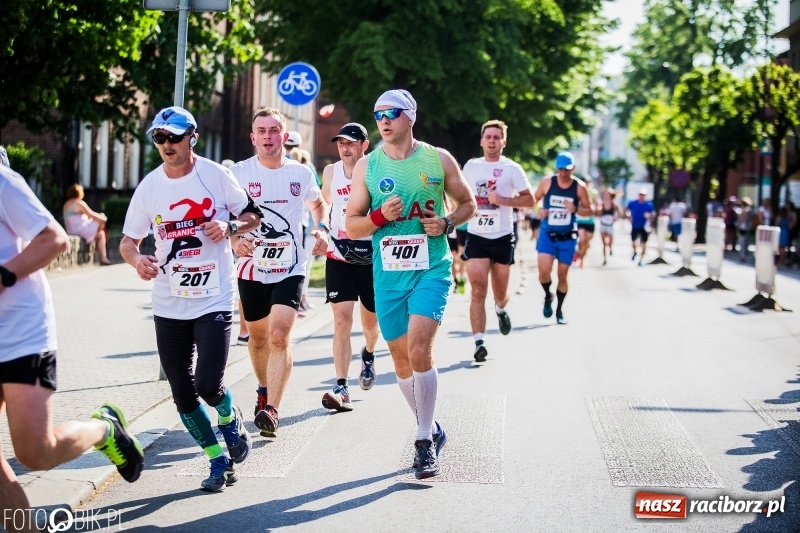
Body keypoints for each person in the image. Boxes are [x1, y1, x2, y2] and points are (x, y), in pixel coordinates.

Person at [120, 106, 258, 492]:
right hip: (168, 301)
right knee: (182, 392)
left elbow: (253, 215)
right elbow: (128, 242)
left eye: (173, 137)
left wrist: (229, 224)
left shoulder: (215, 175)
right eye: (159, 138)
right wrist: (137, 260)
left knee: (208, 384)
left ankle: (230, 418)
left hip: (213, 297)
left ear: (191, 137)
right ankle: (218, 460)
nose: (166, 145)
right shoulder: (150, 186)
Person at [1, 165, 144, 530]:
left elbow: (54, 239)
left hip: (20, 333)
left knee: (35, 452)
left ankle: (104, 429)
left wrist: (2, 276)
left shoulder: (2, 181)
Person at [346, 89, 476, 479]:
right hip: (387, 275)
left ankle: (422, 442)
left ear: (411, 117)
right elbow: (352, 225)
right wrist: (380, 217)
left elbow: (468, 203)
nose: (384, 120)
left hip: (431, 269)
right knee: (401, 359)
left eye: (392, 113)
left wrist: (449, 222)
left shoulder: (438, 159)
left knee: (420, 349)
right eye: (378, 113)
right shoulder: (366, 166)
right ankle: (433, 427)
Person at [229, 108, 329, 439]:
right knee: (257, 338)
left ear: (284, 137)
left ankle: (272, 408)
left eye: (275, 130)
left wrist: (322, 229)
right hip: (250, 266)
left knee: (279, 335)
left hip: (290, 265)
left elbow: (318, 206)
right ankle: (262, 387)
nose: (269, 136)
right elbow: (223, 215)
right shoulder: (239, 173)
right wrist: (234, 238)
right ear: (253, 137)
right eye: (262, 131)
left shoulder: (300, 174)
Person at [318, 122, 381, 411]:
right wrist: (320, 228)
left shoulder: (376, 169)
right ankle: (341, 384)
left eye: (351, 142)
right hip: (339, 257)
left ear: (364, 145)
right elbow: (326, 203)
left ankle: (368, 354)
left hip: (370, 258)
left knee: (370, 325)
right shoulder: (330, 172)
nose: (345, 148)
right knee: (342, 320)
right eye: (341, 142)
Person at [461, 119, 533, 361]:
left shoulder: (512, 168)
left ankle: (501, 310)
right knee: (478, 290)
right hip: (477, 236)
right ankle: (478, 343)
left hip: (502, 236)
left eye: (496, 137)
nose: (492, 141)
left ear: (504, 142)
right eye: (488, 137)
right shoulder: (471, 166)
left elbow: (530, 199)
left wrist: (504, 200)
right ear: (481, 141)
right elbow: (458, 193)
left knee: (500, 293)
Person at [531, 152, 592, 325]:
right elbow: (534, 200)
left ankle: (559, 310)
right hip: (547, 235)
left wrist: (576, 209)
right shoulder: (547, 182)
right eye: (560, 169)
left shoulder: (579, 187)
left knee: (562, 275)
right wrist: (539, 210)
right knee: (543, 271)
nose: (563, 173)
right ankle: (547, 295)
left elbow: (590, 210)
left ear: (573, 168)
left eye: (567, 170)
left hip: (567, 237)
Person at [222, 158, 250, 345]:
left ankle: (244, 331)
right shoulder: (236, 174)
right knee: (242, 284)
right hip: (236, 243)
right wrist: (234, 240)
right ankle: (243, 331)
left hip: (244, 239)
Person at [62, 184, 112, 265]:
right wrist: (104, 219)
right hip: (80, 229)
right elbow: (91, 215)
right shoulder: (79, 203)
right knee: (101, 220)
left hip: (71, 230)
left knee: (101, 234)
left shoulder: (66, 204)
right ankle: (103, 257)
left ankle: (103, 255)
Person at [574, 176, 598, 268]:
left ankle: (581, 257)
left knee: (587, 243)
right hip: (579, 220)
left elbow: (597, 204)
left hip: (590, 221)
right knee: (582, 239)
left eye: (587, 182)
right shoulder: (577, 192)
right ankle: (580, 259)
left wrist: (597, 208)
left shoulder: (593, 193)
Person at [626, 188, 655, 266]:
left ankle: (641, 259)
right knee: (633, 242)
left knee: (644, 243)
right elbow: (626, 210)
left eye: (643, 195)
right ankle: (635, 252)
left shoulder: (648, 205)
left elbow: (653, 214)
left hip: (644, 226)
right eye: (640, 194)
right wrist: (629, 217)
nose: (642, 196)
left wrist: (650, 220)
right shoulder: (633, 203)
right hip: (635, 225)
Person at [597, 188, 621, 265]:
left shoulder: (614, 204)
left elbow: (620, 212)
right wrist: (599, 212)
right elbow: (598, 213)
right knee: (603, 243)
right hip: (603, 225)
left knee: (610, 241)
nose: (606, 196)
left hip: (610, 226)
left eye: (608, 194)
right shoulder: (602, 204)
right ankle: (604, 258)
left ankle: (610, 247)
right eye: (605, 194)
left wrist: (616, 218)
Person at [736, 196, 755, 261]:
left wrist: (738, 224)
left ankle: (742, 256)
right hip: (748, 227)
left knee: (742, 242)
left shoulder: (745, 210)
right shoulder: (750, 209)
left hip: (743, 227)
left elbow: (742, 218)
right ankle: (745, 255)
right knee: (746, 241)